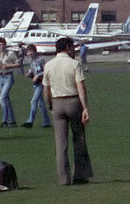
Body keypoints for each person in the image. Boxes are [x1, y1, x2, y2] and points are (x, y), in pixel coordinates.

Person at [43, 36, 93, 184]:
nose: (74, 51)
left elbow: (46, 90)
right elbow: (80, 87)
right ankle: (80, 175)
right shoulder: (74, 64)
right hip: (73, 101)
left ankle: (63, 178)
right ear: (67, 48)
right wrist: (85, 108)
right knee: (78, 139)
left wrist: (50, 105)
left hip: (57, 102)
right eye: (72, 48)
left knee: (60, 144)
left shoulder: (49, 65)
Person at [23, 44, 50, 128]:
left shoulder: (40, 59)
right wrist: (29, 74)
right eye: (29, 52)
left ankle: (30, 120)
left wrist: (38, 75)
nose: (30, 53)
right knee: (40, 104)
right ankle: (47, 122)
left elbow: (45, 70)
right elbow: (32, 70)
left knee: (33, 101)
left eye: (31, 51)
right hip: (35, 83)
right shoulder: (31, 61)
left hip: (41, 82)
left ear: (35, 51)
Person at [0, 39, 19, 128]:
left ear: (5, 45)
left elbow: (18, 63)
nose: (1, 46)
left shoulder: (10, 53)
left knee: (2, 98)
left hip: (8, 76)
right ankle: (12, 120)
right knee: (6, 99)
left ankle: (5, 120)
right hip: (1, 76)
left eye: (3, 44)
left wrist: (9, 66)